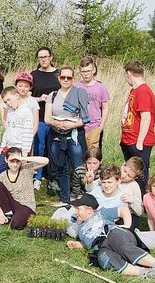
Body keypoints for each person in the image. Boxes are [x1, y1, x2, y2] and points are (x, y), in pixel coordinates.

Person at [66, 194, 155, 280]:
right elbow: (89, 241)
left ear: (89, 210)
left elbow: (123, 209)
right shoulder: (80, 229)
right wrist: (78, 244)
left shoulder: (101, 213)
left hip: (114, 234)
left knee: (118, 242)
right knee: (103, 258)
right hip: (102, 246)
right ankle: (146, 273)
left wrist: (127, 225)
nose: (75, 212)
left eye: (78, 209)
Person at [45, 66, 89, 206]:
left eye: (68, 77)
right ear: (58, 78)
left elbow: (85, 118)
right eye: (63, 77)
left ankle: (82, 195)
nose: (65, 80)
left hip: (74, 134)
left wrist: (70, 125)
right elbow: (47, 118)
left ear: (73, 79)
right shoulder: (53, 95)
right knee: (61, 167)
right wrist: (57, 124)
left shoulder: (79, 93)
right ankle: (64, 198)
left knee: (79, 167)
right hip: (56, 135)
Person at [120, 60, 155, 194]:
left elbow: (146, 117)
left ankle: (141, 201)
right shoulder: (134, 91)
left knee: (139, 174)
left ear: (129, 74)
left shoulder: (143, 91)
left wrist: (139, 143)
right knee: (129, 173)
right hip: (128, 138)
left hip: (138, 141)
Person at [0, 147, 49, 229]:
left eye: (17, 161)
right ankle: (8, 214)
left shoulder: (26, 169)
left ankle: (18, 217)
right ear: (6, 160)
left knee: (16, 224)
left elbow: (46, 161)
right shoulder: (2, 175)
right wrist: (1, 215)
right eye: (12, 161)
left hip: (26, 205)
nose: (15, 164)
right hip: (12, 203)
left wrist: (23, 158)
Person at [31, 47, 61, 190]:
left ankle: (52, 177)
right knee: (39, 147)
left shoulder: (59, 74)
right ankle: (37, 176)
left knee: (54, 148)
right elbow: (25, 96)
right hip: (40, 117)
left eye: (46, 56)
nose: (43, 59)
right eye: (40, 57)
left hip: (56, 117)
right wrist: (39, 98)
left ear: (51, 57)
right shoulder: (34, 75)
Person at [0, 87, 35, 183]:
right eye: (5, 102)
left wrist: (24, 155)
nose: (8, 103)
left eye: (8, 100)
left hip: (20, 149)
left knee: (20, 177)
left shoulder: (26, 112)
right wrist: (2, 147)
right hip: (8, 148)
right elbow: (7, 130)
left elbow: (27, 134)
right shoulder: (10, 111)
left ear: (16, 96)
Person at [12, 72, 41, 189]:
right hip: (14, 137)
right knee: (13, 160)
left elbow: (35, 122)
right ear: (16, 86)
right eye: (20, 85)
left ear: (30, 87)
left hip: (26, 138)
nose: (23, 88)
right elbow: (6, 119)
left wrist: (29, 137)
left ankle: (26, 185)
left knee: (25, 161)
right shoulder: (12, 99)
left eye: (26, 86)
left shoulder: (32, 102)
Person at [75, 56, 110, 152]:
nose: (86, 74)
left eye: (88, 71)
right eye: (83, 72)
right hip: (78, 126)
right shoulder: (76, 86)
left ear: (94, 70)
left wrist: (101, 126)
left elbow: (105, 107)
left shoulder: (100, 87)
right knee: (79, 155)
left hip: (94, 126)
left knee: (93, 156)